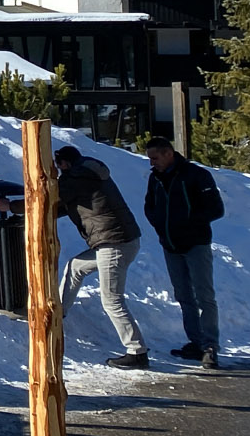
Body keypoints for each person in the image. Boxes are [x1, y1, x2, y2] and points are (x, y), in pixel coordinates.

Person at [55, 145, 148, 370]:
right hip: (124, 240)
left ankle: (137, 352)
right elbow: (66, 206)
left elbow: (50, 201)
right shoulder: (90, 172)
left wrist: (14, 207)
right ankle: (58, 314)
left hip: (112, 244)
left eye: (59, 166)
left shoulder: (75, 178)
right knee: (75, 266)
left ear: (65, 163)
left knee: (112, 300)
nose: (59, 171)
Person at [144, 135, 225, 369]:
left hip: (196, 244)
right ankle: (196, 342)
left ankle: (210, 346)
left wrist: (189, 224)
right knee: (183, 296)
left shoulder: (196, 175)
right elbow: (150, 206)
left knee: (204, 296)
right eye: (150, 158)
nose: (152, 163)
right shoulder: (155, 178)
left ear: (169, 153)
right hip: (170, 244)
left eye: (155, 157)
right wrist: (160, 225)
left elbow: (216, 209)